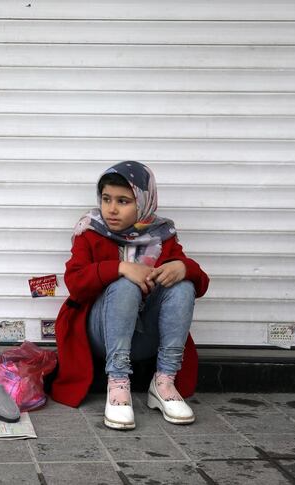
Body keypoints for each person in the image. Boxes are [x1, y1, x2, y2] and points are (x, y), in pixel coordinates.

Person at [50, 161, 209, 430]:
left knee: (183, 285)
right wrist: (121, 268)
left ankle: (164, 382)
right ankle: (118, 385)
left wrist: (183, 267)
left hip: (145, 336)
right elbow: (75, 282)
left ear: (144, 202)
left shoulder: (162, 235)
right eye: (106, 199)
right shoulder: (90, 231)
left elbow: (201, 282)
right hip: (101, 336)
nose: (111, 209)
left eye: (123, 201)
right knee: (124, 285)